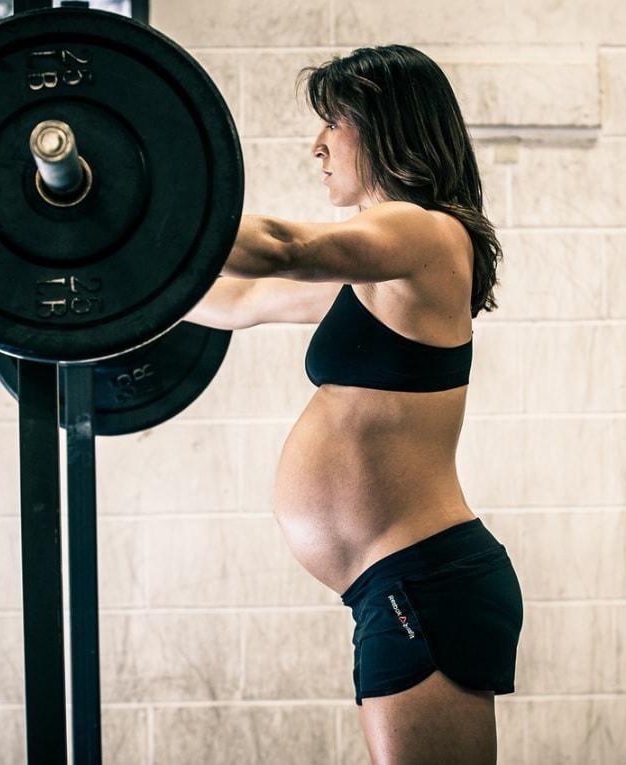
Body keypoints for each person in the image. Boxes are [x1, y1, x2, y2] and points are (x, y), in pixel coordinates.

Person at [186, 45, 523, 765]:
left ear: (384, 128)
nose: (316, 145)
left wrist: (149, 208)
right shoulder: (373, 274)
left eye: (331, 123)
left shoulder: (424, 231)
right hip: (395, 586)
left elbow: (279, 247)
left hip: (423, 584)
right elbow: (236, 297)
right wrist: (104, 278)